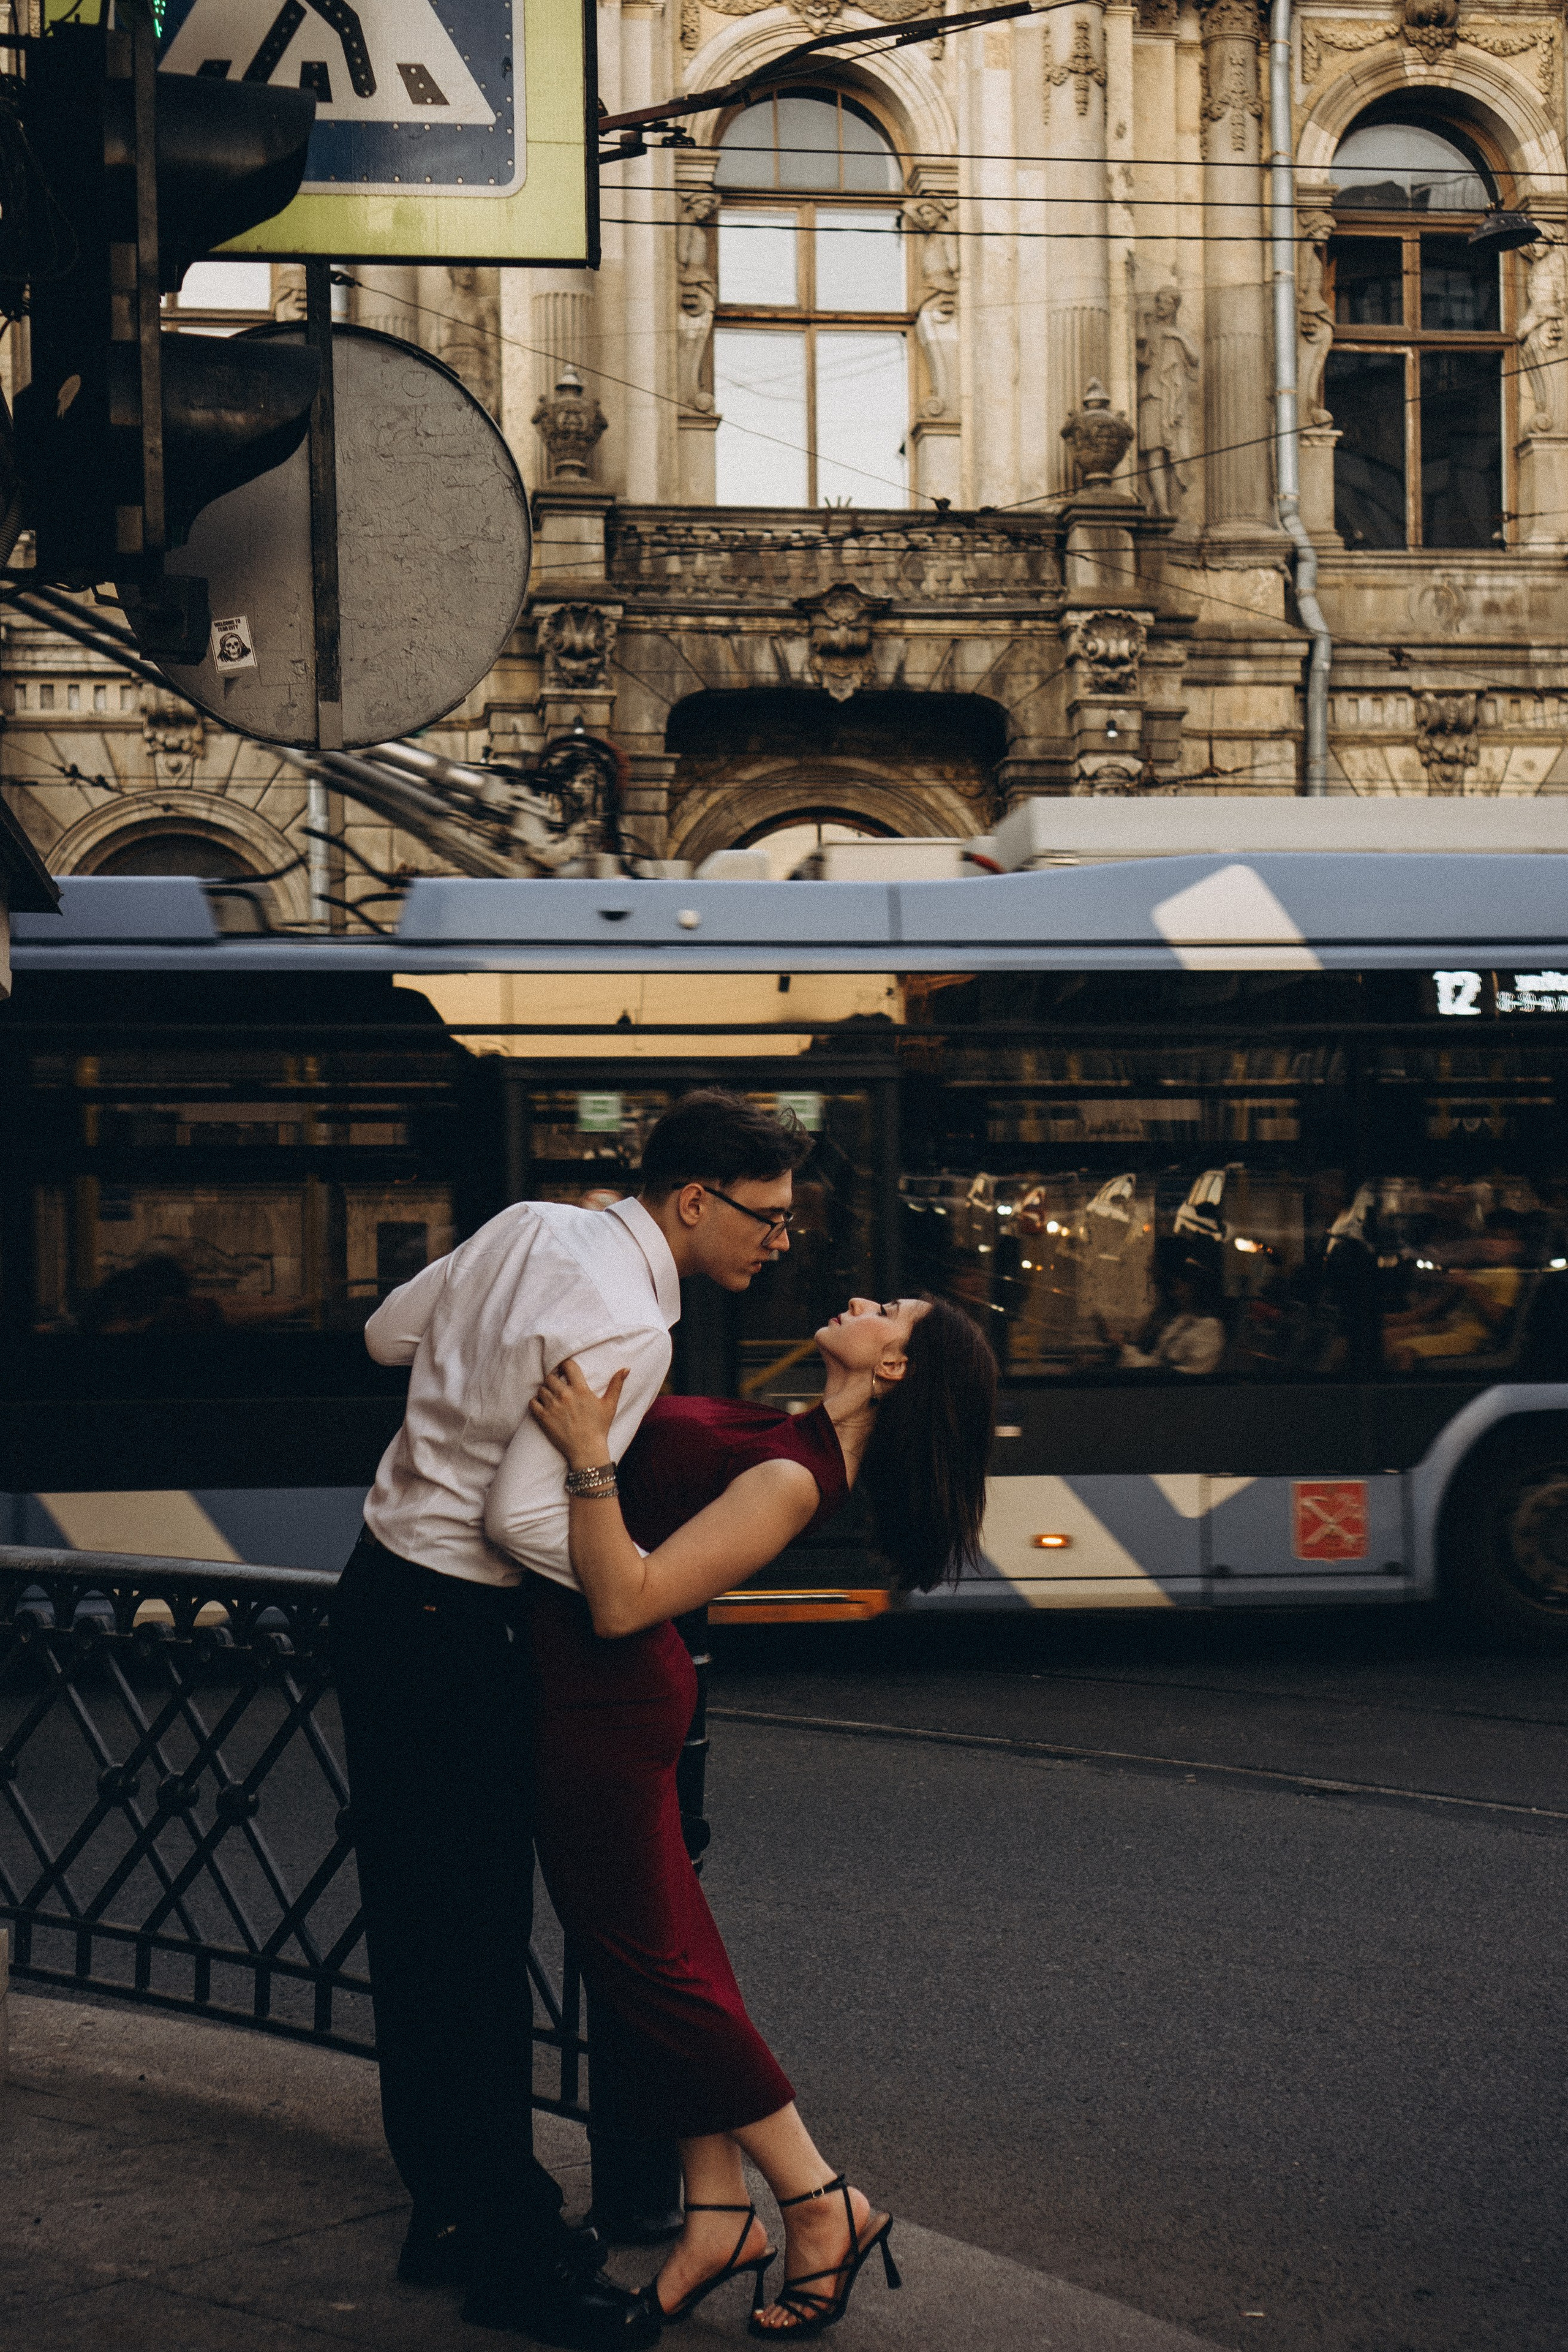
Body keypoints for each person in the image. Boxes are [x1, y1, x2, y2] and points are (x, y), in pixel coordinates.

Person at [331, 1090, 811, 2351]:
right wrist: (627, 1558)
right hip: (454, 1627)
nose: (779, 1243)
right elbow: (520, 1525)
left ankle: (446, 2210)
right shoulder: (627, 1325)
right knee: (478, 1948)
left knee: (425, 1937)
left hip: (377, 1591)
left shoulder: (532, 1222)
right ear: (693, 1201)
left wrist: (473, 1376)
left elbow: (388, 1335)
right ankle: (511, 2254)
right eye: (764, 1218)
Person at [525, 1289, 997, 2337]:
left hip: (611, 1706)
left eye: (891, 1311)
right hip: (595, 1703)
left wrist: (588, 1456)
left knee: (649, 1969)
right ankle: (723, 2212)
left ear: (895, 1371)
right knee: (664, 1962)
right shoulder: (787, 1432)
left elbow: (625, 1599)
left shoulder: (793, 1477)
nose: (861, 1300)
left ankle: (820, 2202)